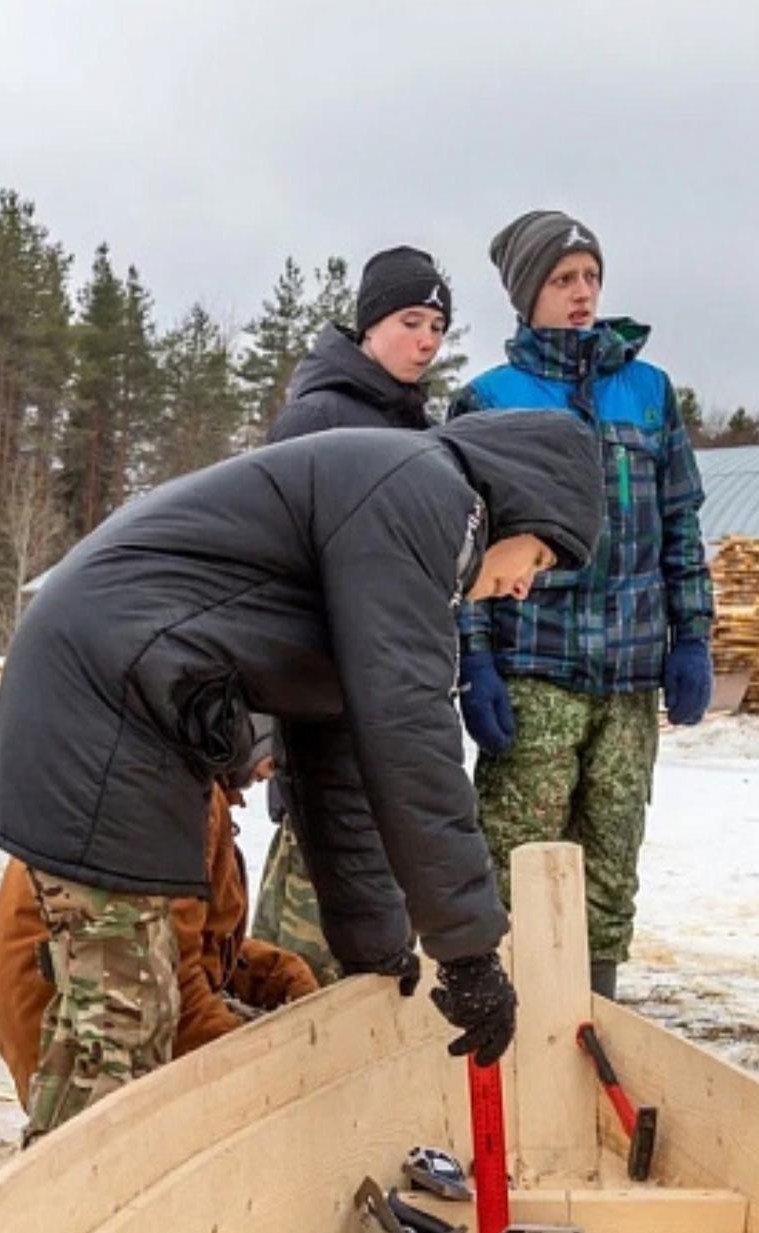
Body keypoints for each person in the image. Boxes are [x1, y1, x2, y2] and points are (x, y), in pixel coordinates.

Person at [0, 409, 602, 1140]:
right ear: (521, 502)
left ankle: (71, 1219)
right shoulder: (426, 495)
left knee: (121, 1023)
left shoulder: (387, 503)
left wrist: (375, 944)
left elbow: (343, 758)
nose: (524, 587)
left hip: (120, 691)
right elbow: (411, 734)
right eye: (541, 562)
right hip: (107, 702)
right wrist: (470, 952)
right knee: (123, 1028)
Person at [452, 211, 716, 1003]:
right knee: (516, 863)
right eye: (564, 280)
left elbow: (681, 519)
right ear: (528, 292)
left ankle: (591, 1021)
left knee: (610, 866)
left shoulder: (648, 390)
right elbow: (464, 539)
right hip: (537, 668)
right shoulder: (488, 398)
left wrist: (692, 634)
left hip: (630, 674)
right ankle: (508, 1030)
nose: (582, 294)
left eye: (591, 278)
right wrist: (475, 658)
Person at [250, 245, 454, 983]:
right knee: (300, 954)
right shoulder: (318, 418)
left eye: (437, 324)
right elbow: (274, 582)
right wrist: (266, 727)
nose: (427, 340)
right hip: (318, 717)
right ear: (370, 325)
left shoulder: (417, 430)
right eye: (410, 320)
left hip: (382, 720)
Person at [0, 728, 321, 1113]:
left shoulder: (168, 772)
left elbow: (182, 939)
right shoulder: (181, 800)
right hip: (73, 1045)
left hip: (75, 1010)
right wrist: (265, 1077)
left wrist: (272, 972)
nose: (273, 770)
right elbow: (171, 983)